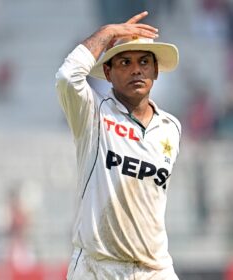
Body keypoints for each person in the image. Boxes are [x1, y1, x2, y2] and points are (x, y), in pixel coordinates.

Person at [55, 11, 181, 279]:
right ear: (108, 73)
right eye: (125, 62)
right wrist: (108, 33)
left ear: (156, 71)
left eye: (144, 61)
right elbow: (68, 76)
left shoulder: (171, 128)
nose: (137, 69)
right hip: (98, 266)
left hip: (155, 268)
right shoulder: (92, 114)